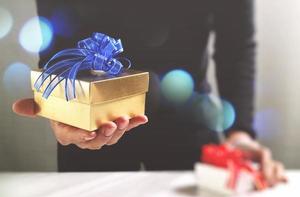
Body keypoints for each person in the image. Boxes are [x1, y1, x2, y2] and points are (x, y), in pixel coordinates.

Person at [13, 0, 286, 186]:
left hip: (189, 127)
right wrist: (62, 109)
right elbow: (55, 36)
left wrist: (239, 132)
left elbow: (236, 45)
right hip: (93, 124)